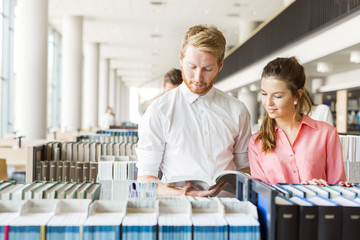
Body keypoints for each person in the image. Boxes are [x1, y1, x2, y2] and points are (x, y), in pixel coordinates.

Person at [136, 25, 252, 197]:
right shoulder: (158, 111)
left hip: (228, 211)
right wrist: (185, 194)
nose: (198, 78)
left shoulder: (237, 110)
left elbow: (245, 168)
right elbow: (145, 181)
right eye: (192, 67)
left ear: (220, 66)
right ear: (181, 60)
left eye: (207, 69)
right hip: (178, 211)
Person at [248, 57, 348, 186]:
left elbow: (339, 187)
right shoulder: (257, 142)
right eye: (264, 94)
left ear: (297, 95)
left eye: (278, 96)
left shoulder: (326, 134)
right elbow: (259, 192)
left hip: (317, 205)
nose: (268, 103)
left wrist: (322, 189)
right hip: (276, 206)